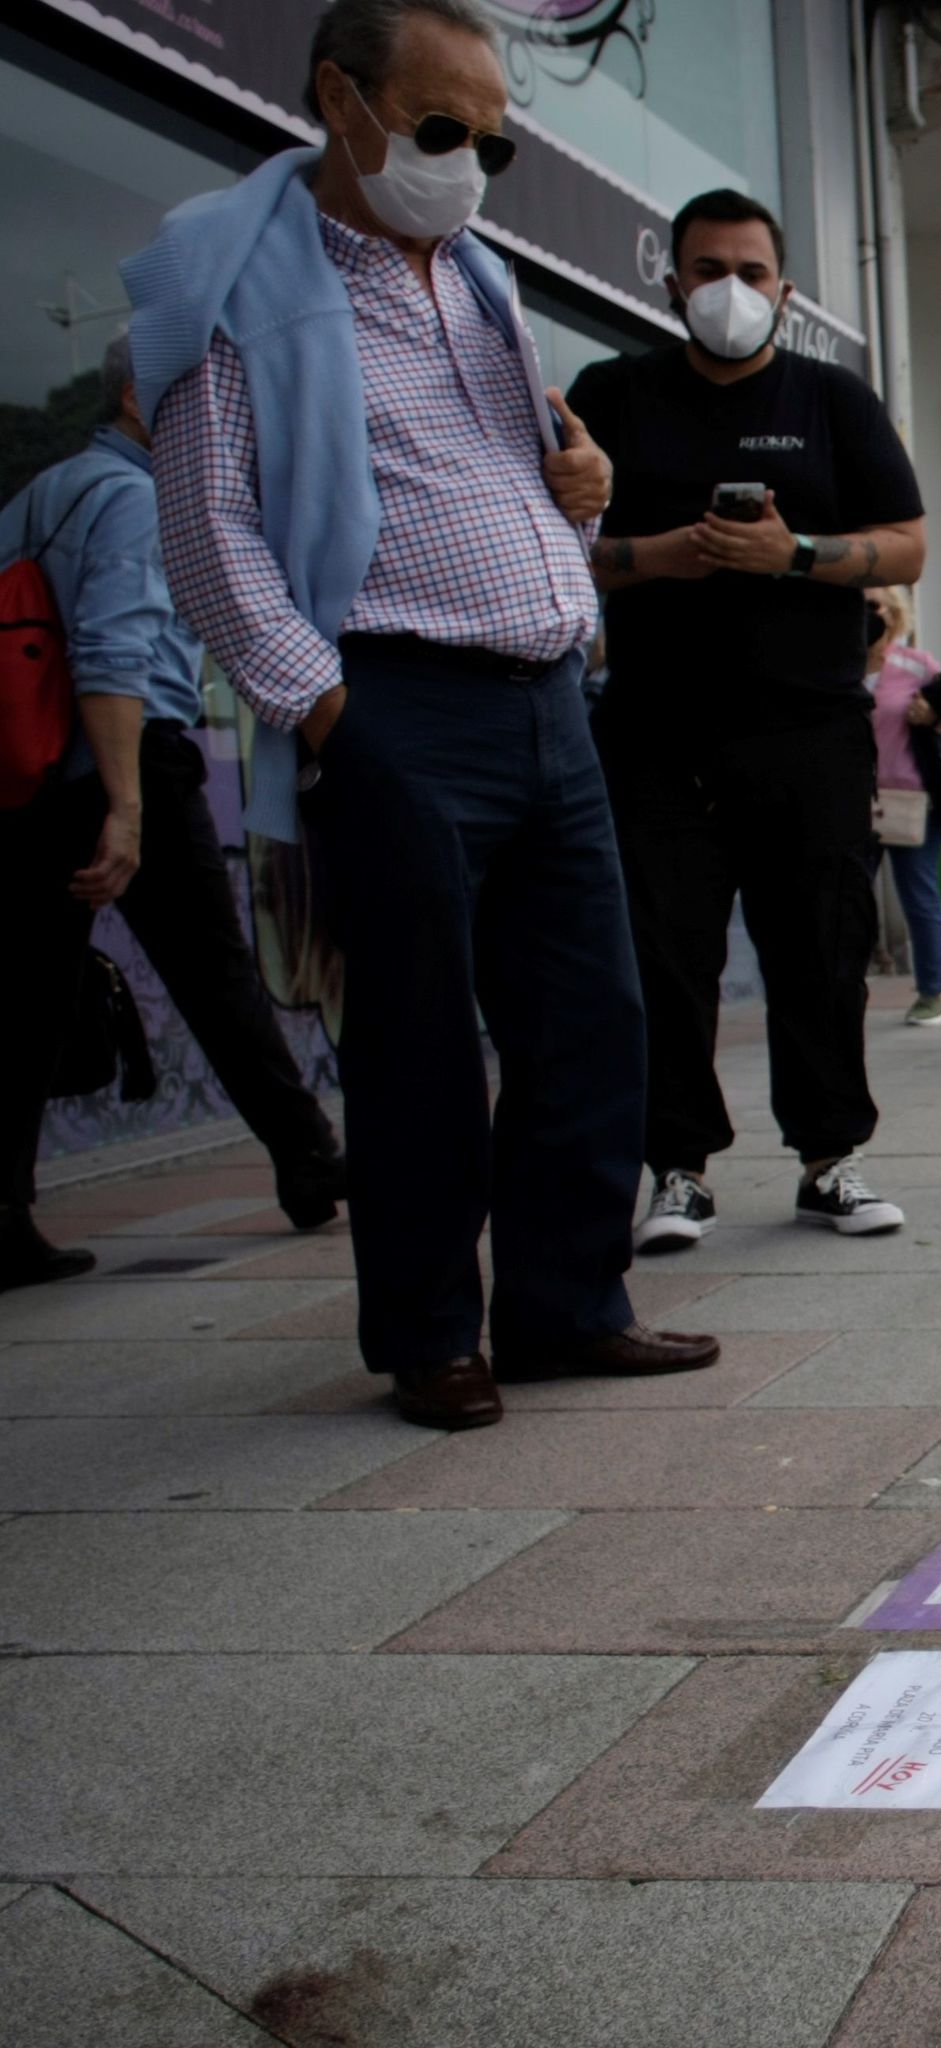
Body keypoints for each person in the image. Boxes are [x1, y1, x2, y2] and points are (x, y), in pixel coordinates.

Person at [127, 0, 717, 1426]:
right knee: (418, 1044)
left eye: (492, 146)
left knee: (594, 1020)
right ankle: (430, 1332)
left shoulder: (481, 279)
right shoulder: (242, 285)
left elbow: (510, 477)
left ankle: (567, 1307)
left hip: (548, 699)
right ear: (343, 99)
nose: (467, 166)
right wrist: (332, 714)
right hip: (395, 702)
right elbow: (207, 532)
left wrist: (585, 496)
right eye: (443, 129)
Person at [565, 187, 928, 1255]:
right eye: (709, 270)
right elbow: (553, 543)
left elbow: (908, 543)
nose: (730, 290)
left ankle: (829, 1158)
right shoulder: (613, 395)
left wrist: (795, 553)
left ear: (786, 291)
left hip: (809, 727)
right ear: (671, 282)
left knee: (821, 945)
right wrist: (662, 555)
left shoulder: (832, 400)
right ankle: (678, 1169)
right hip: (655, 729)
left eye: (751, 272)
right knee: (663, 956)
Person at [0, 334, 352, 1292]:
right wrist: (125, 805)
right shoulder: (134, 498)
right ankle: (309, 1157)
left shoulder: (40, 494)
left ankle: (5, 1213)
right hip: (126, 757)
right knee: (215, 971)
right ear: (134, 399)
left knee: (30, 995)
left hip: (33, 772)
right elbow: (113, 652)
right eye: (194, 396)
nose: (216, 419)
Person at [866, 585, 941, 1026]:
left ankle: (932, 993)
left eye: (874, 604)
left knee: (919, 895)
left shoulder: (917, 666)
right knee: (845, 899)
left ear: (894, 613)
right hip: (850, 800)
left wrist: (934, 717)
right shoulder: (835, 668)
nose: (866, 613)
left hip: (909, 797)